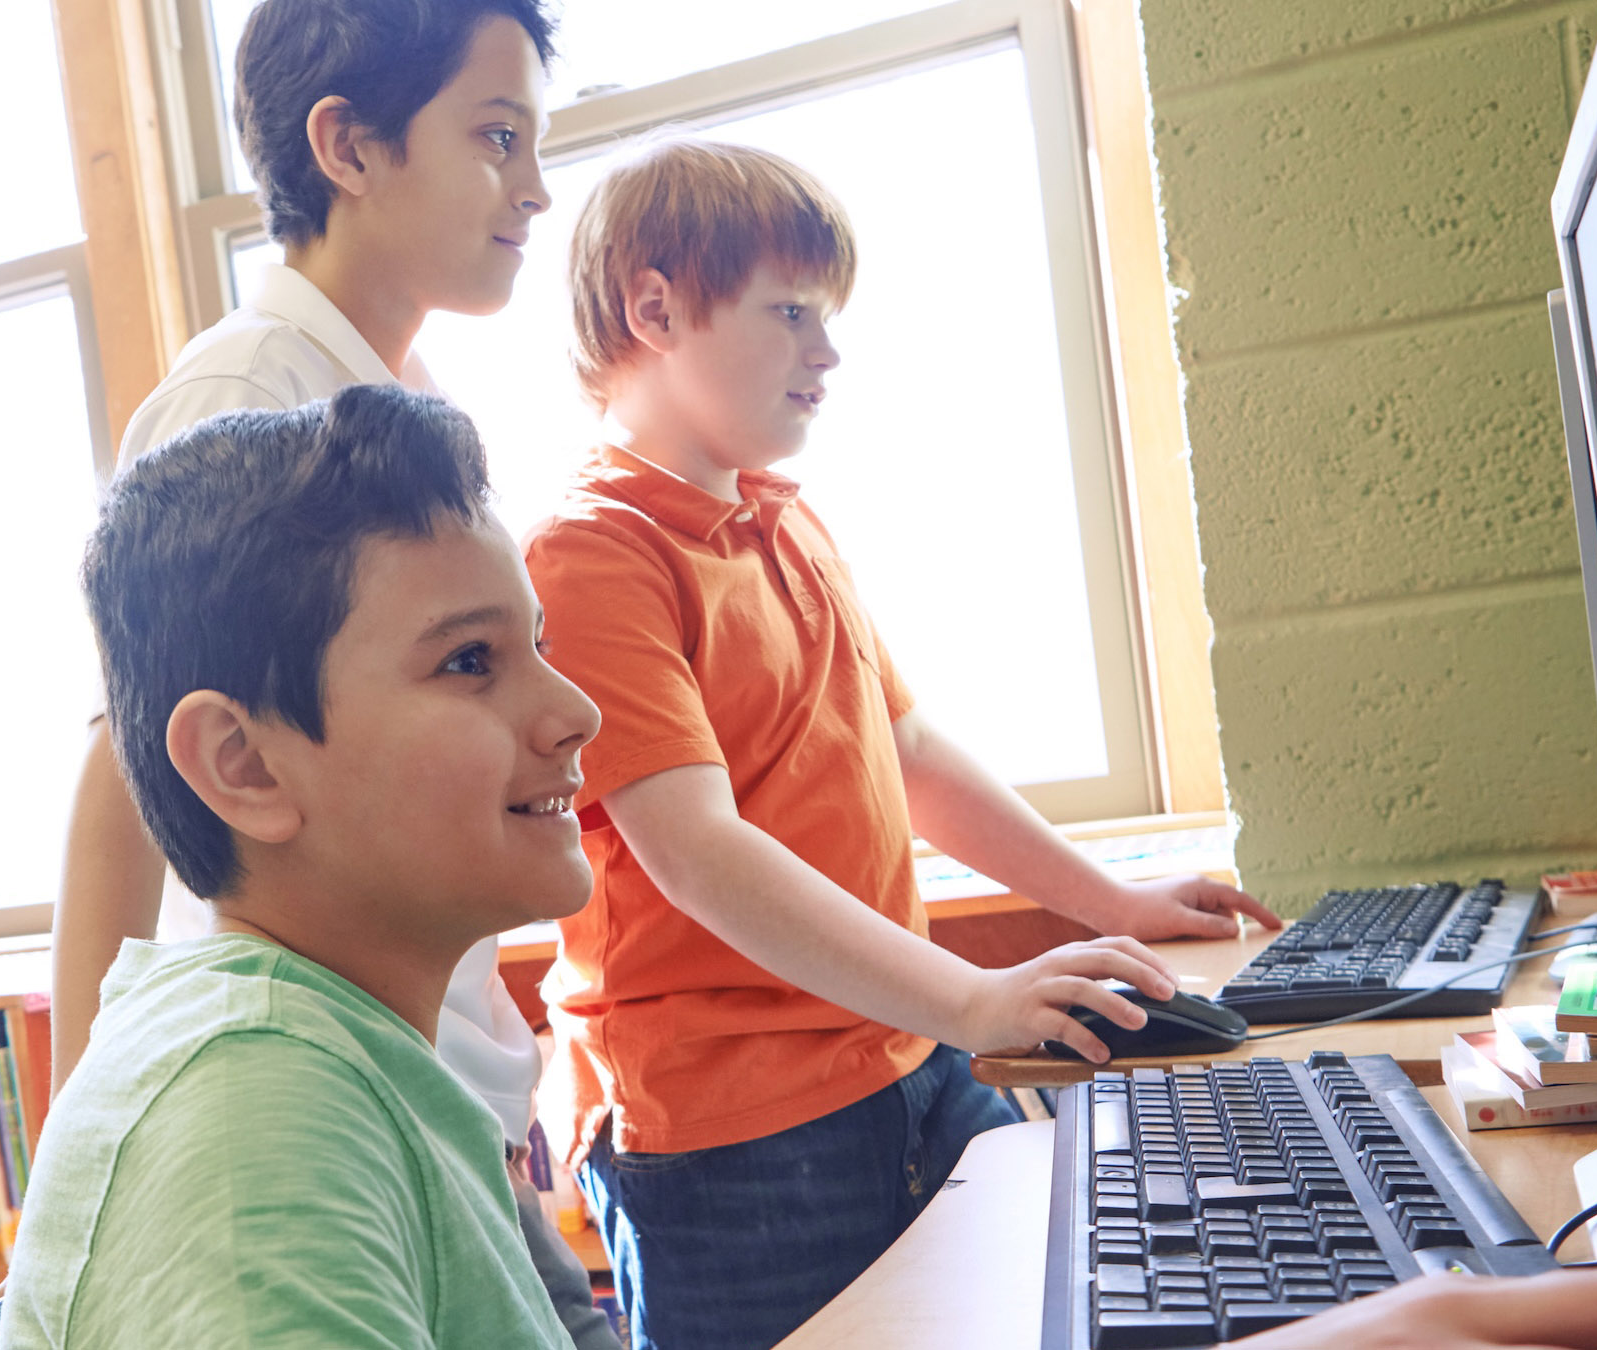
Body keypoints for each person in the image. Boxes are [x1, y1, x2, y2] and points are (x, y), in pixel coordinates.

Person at [0, 384, 1597, 1350]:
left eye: (537, 646)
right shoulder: (251, 1132)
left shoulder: (322, 1058)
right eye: (471, 663)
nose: (572, 715)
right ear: (243, 764)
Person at [518, 137, 1286, 1347]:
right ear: (655, 308)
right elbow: (697, 853)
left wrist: (1108, 903)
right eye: (790, 312)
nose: (827, 352)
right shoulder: (591, 555)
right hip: (738, 1140)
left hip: (911, 1055)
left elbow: (909, 749)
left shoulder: (787, 519)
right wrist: (977, 999)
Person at [42, 2, 609, 1342]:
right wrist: (93, 1136)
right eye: (494, 137)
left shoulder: (384, 392)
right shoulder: (258, 395)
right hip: (318, 1080)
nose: (533, 188)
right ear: (347, 145)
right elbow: (125, 776)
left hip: (411, 1078)